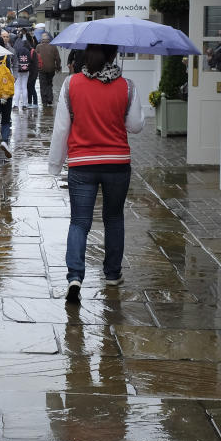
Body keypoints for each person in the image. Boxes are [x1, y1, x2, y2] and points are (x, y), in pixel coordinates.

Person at [47, 44, 145, 302]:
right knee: (114, 218)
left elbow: (61, 129)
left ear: (86, 55)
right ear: (113, 55)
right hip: (117, 163)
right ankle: (112, 273)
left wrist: (55, 165)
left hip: (82, 163)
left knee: (79, 221)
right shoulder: (127, 86)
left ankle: (75, 276)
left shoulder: (71, 84)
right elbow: (135, 126)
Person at [36, 33, 62, 106]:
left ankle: (44, 101)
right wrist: (58, 67)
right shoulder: (53, 47)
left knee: (43, 85)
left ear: (42, 40)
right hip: (51, 69)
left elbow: (36, 58)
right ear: (48, 39)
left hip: (41, 69)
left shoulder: (38, 47)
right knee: (49, 84)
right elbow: (58, 59)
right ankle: (50, 99)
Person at [11, 32, 32, 110]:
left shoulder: (15, 49)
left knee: (17, 88)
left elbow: (14, 61)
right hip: (26, 70)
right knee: (24, 87)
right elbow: (30, 60)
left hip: (18, 70)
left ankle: (16, 105)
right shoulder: (27, 50)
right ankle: (25, 105)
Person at [25, 34, 41, 108]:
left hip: (33, 73)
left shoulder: (32, 52)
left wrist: (34, 75)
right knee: (29, 87)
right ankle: (29, 102)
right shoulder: (30, 51)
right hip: (31, 73)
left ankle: (35, 103)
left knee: (32, 87)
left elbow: (35, 64)